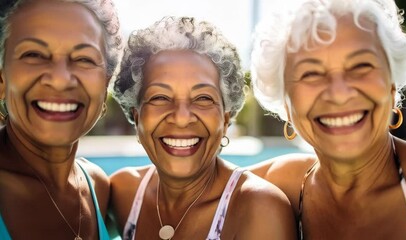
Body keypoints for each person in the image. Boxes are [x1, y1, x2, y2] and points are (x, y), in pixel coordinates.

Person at [249, 0, 406, 239]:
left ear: (392, 86)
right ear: (285, 102)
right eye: (311, 73)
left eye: (361, 66)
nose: (339, 93)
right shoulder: (270, 187)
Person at [110, 16, 297, 240]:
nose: (181, 118)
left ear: (226, 119)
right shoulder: (123, 192)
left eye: (203, 98)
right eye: (160, 97)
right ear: (136, 116)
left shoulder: (258, 209)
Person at [0, 0, 122, 239]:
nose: (61, 79)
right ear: (2, 79)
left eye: (84, 58)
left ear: (105, 84)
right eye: (34, 54)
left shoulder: (98, 187)